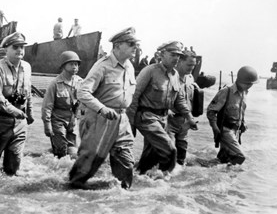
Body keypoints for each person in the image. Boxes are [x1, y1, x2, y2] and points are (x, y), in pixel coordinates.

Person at [68, 27, 139, 189]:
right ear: (117, 46)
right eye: (130, 44)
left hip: (121, 120)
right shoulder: (102, 66)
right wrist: (102, 109)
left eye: (135, 44)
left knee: (126, 161)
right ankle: (70, 193)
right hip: (100, 119)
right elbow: (83, 92)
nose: (135, 47)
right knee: (89, 163)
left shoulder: (130, 67)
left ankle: (122, 197)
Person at [127, 41, 197, 176]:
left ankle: (137, 181)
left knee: (150, 157)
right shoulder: (150, 71)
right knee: (170, 150)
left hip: (163, 119)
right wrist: (130, 122)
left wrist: (189, 118)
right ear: (162, 55)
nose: (176, 58)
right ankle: (165, 181)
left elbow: (179, 100)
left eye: (178, 55)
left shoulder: (175, 75)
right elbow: (134, 96)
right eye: (172, 54)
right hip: (147, 117)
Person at [0, 32, 34, 175]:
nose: (20, 50)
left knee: (13, 168)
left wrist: (30, 112)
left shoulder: (27, 67)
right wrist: (14, 111)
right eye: (15, 47)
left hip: (20, 122)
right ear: (6, 49)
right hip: (0, 120)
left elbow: (28, 93)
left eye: (22, 47)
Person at [206, 66, 258, 166]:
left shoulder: (244, 92)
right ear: (241, 81)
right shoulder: (226, 91)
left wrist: (243, 123)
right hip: (225, 130)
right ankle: (227, 173)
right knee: (240, 157)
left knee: (225, 158)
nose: (249, 86)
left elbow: (241, 110)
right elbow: (211, 111)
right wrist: (215, 128)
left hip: (235, 131)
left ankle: (216, 176)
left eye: (251, 84)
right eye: (248, 84)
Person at [41, 51, 83, 158]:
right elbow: (47, 106)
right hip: (58, 122)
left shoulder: (80, 82)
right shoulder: (55, 83)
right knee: (61, 152)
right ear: (63, 66)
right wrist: (47, 125)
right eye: (71, 64)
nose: (75, 67)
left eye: (76, 64)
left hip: (72, 122)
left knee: (74, 153)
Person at [165, 51, 198, 165]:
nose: (191, 68)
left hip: (184, 123)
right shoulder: (170, 77)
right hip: (170, 121)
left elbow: (190, 99)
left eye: (193, 65)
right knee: (169, 153)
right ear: (180, 61)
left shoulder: (190, 78)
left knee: (181, 154)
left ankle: (177, 179)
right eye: (189, 65)